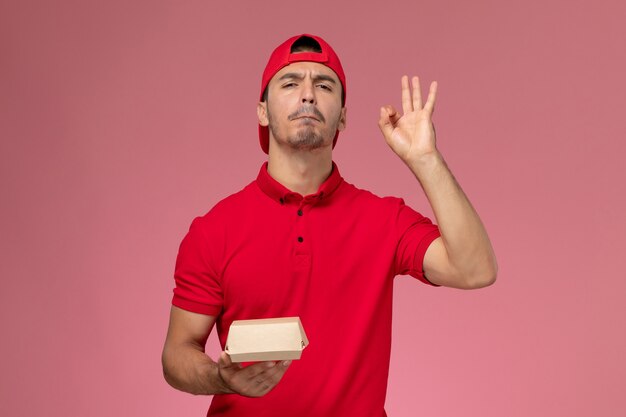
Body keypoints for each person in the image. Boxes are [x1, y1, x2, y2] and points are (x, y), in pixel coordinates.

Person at [162, 34, 497, 417]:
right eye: (290, 84)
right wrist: (220, 378)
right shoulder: (213, 230)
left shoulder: (384, 219)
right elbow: (177, 354)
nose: (308, 95)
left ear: (343, 115)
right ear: (262, 111)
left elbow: (475, 269)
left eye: (324, 85)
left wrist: (426, 160)